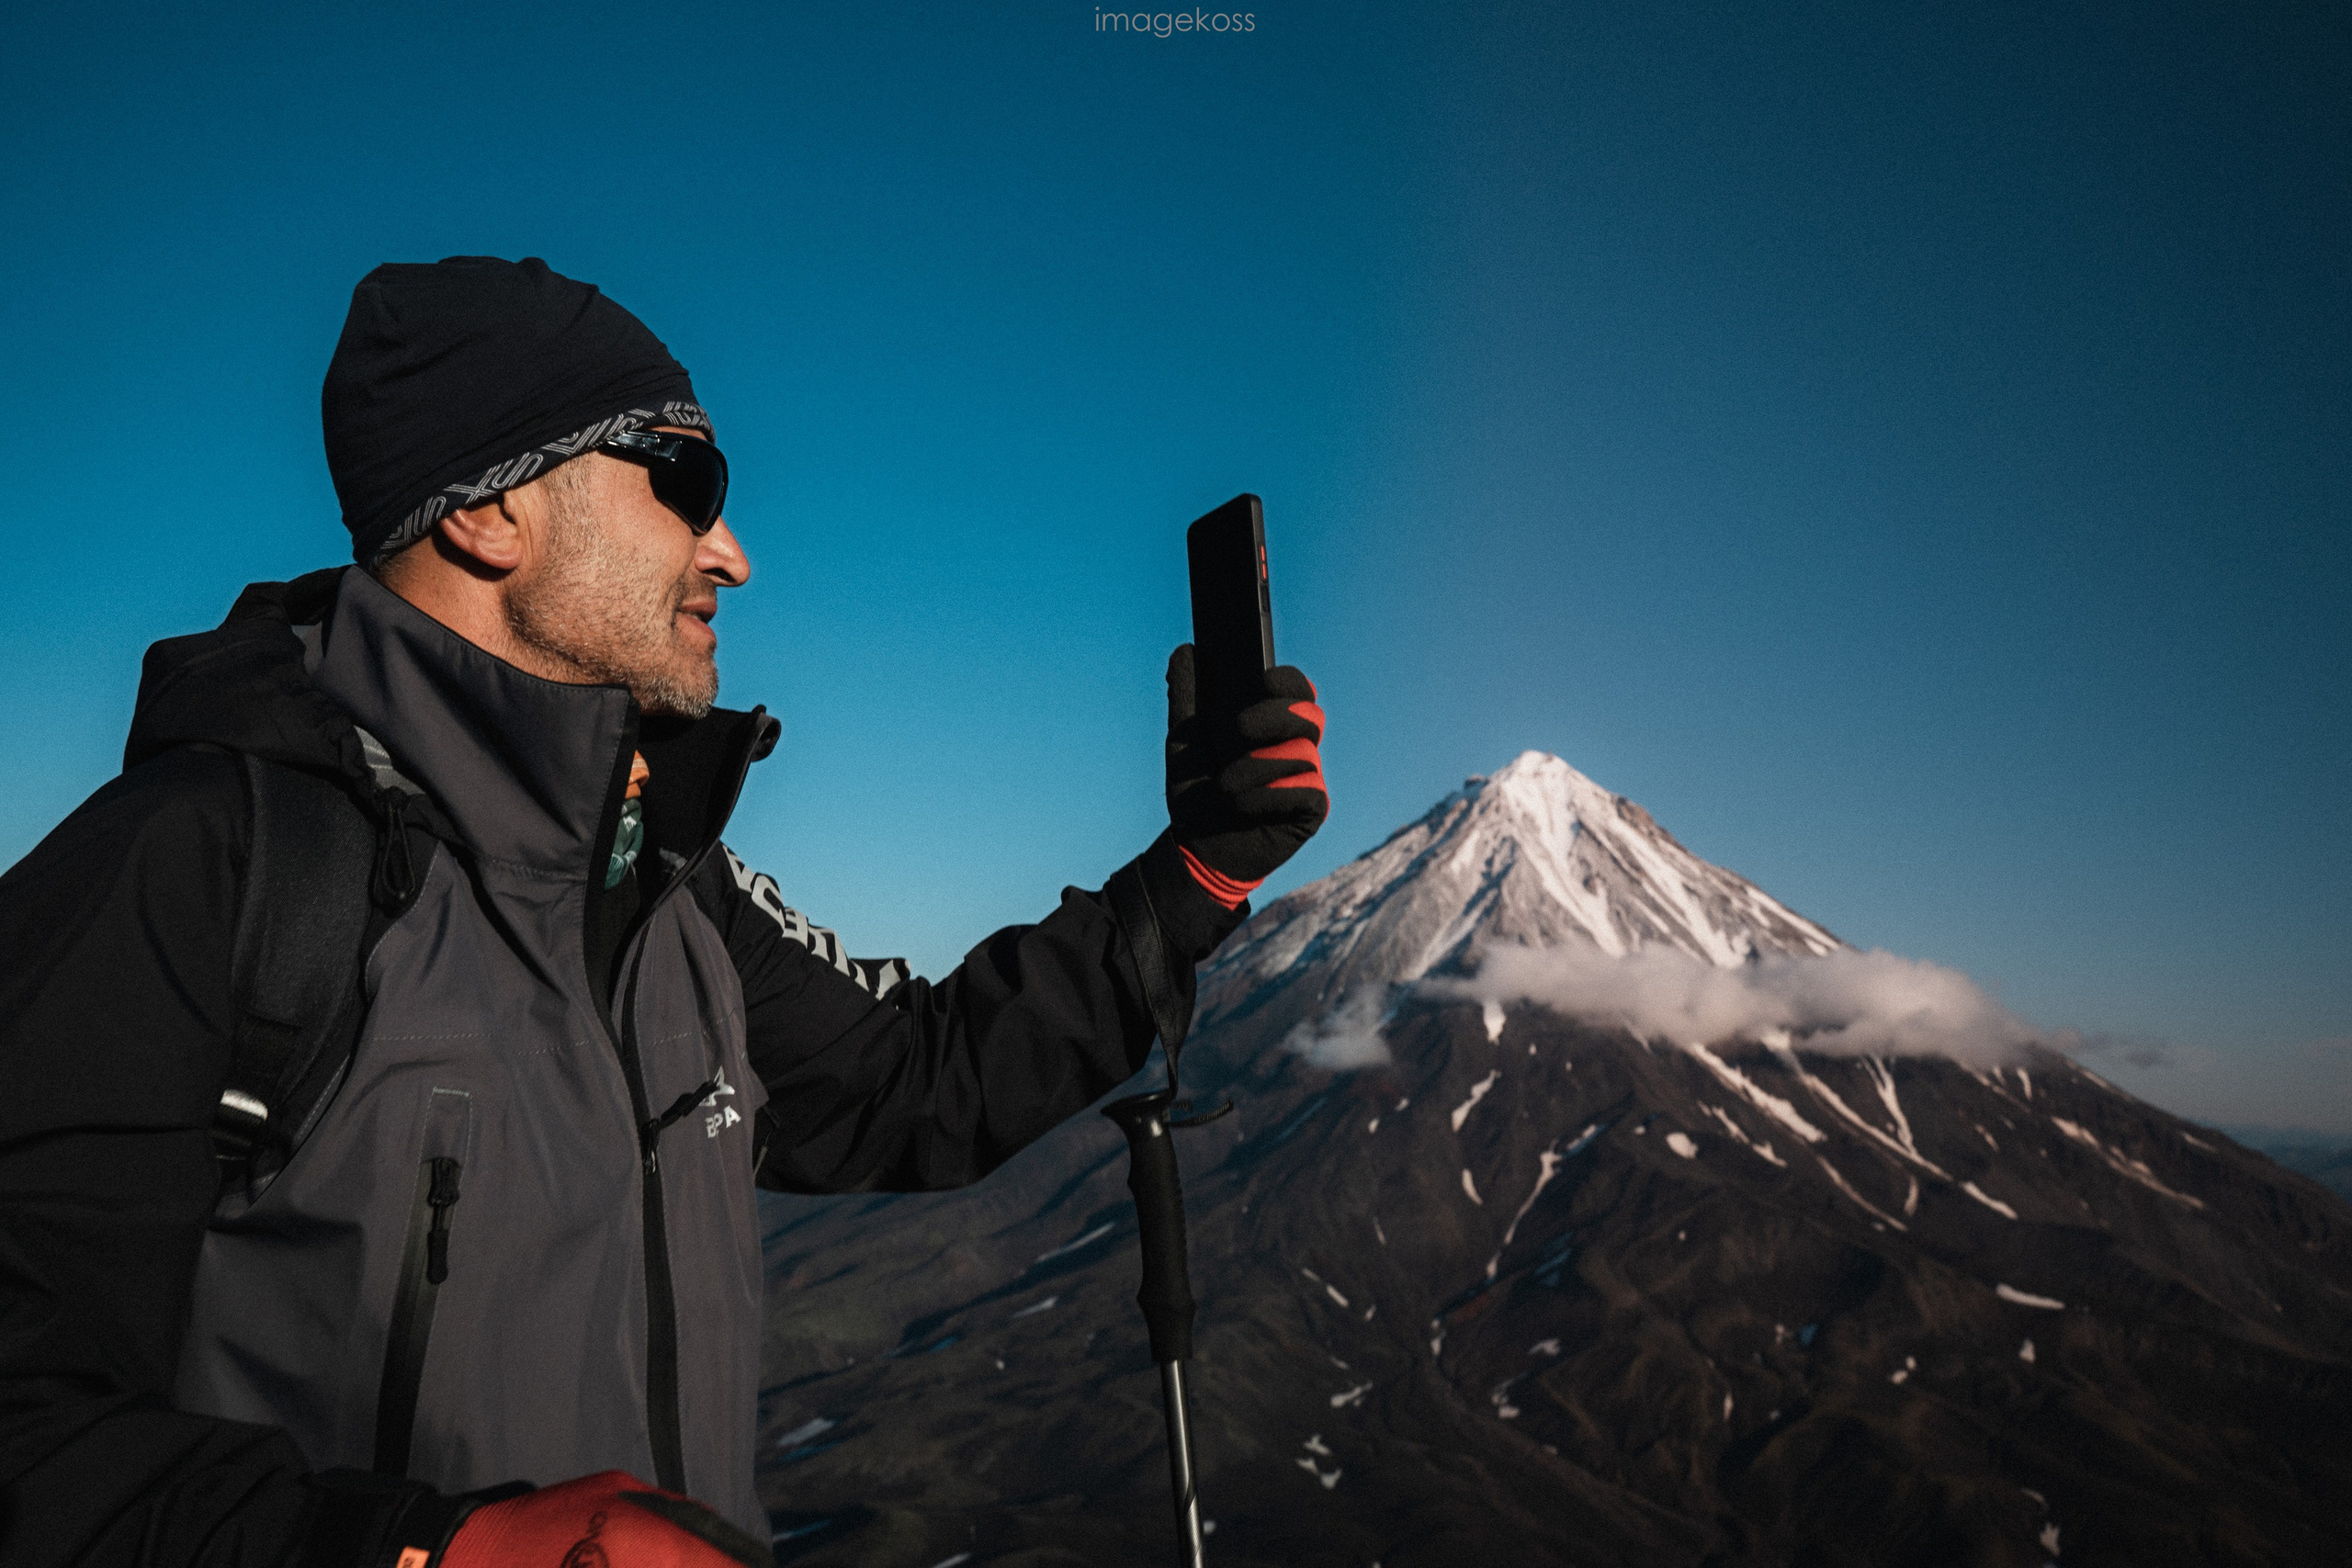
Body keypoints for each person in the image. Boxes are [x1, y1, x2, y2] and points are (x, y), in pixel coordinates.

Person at [0, 256, 1328, 1567]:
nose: (733, 556)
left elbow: (918, 1080)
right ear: (487, 513)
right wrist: (425, 1553)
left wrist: (1199, 871)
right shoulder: (199, 869)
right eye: (688, 485)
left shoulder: (666, 891)